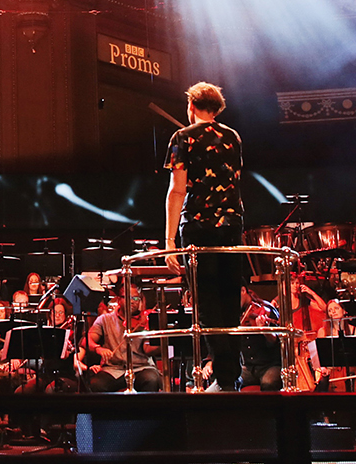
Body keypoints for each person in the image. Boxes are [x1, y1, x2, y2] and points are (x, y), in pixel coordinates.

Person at [164, 80, 245, 392]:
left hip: (200, 227)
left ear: (191, 106)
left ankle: (224, 378)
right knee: (228, 302)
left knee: (207, 303)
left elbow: (177, 190)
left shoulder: (182, 137)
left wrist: (170, 241)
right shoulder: (233, 137)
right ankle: (230, 377)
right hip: (232, 226)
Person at [84, 293, 163, 393]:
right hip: (113, 369)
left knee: (151, 380)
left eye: (135, 298)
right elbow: (87, 340)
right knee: (96, 384)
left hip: (141, 367)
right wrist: (98, 348)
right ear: (118, 299)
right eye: (128, 297)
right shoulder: (105, 319)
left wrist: (161, 342)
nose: (132, 301)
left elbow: (147, 349)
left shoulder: (144, 320)